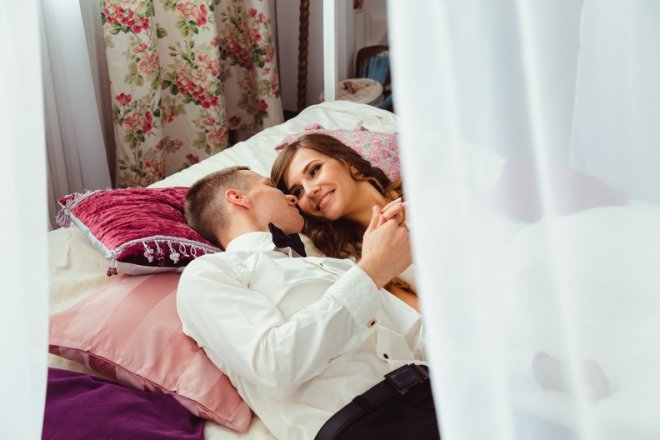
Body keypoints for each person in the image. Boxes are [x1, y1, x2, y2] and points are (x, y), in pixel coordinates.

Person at [177, 166, 441, 440]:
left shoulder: (339, 267)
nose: (292, 198)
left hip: (436, 393)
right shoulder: (209, 272)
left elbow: (419, 337)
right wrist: (372, 272)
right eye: (271, 187)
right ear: (237, 197)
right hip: (362, 424)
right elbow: (273, 366)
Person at [270, 133, 419, 311]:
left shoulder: (419, 187)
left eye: (314, 171)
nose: (309, 191)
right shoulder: (357, 265)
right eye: (298, 192)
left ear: (348, 162)